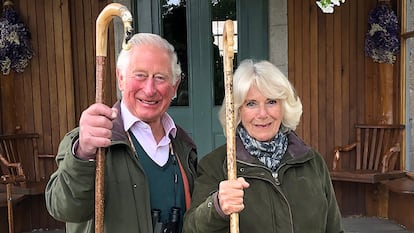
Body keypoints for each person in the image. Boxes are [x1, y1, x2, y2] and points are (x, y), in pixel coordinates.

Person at [45, 33, 198, 233]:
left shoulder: (183, 145)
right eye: (140, 75)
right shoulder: (88, 143)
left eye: (160, 77)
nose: (150, 89)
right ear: (121, 79)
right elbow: (63, 209)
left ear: (174, 87)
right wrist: (83, 154)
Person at [182, 59, 344, 233]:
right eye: (251, 103)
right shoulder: (216, 166)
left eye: (271, 101)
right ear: (237, 111)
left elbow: (334, 228)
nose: (262, 114)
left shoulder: (311, 161)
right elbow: (191, 229)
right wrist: (217, 207)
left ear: (284, 106)